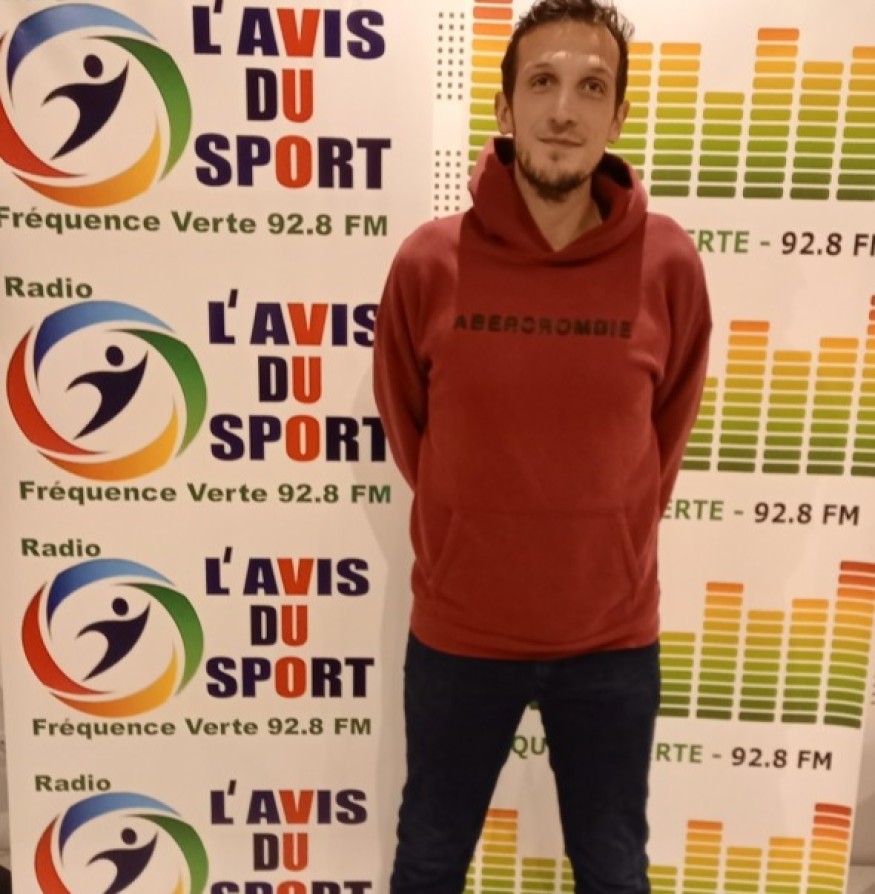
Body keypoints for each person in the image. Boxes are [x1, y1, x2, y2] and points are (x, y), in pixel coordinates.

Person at [373, 0, 711, 891]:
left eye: (591, 88)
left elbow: (665, 430)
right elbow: (410, 427)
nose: (564, 109)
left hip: (611, 638)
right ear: (504, 108)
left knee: (612, 866)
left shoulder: (669, 264)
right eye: (542, 82)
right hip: (459, 635)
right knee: (429, 859)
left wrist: (604, 536)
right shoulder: (428, 262)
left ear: (618, 116)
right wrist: (471, 525)